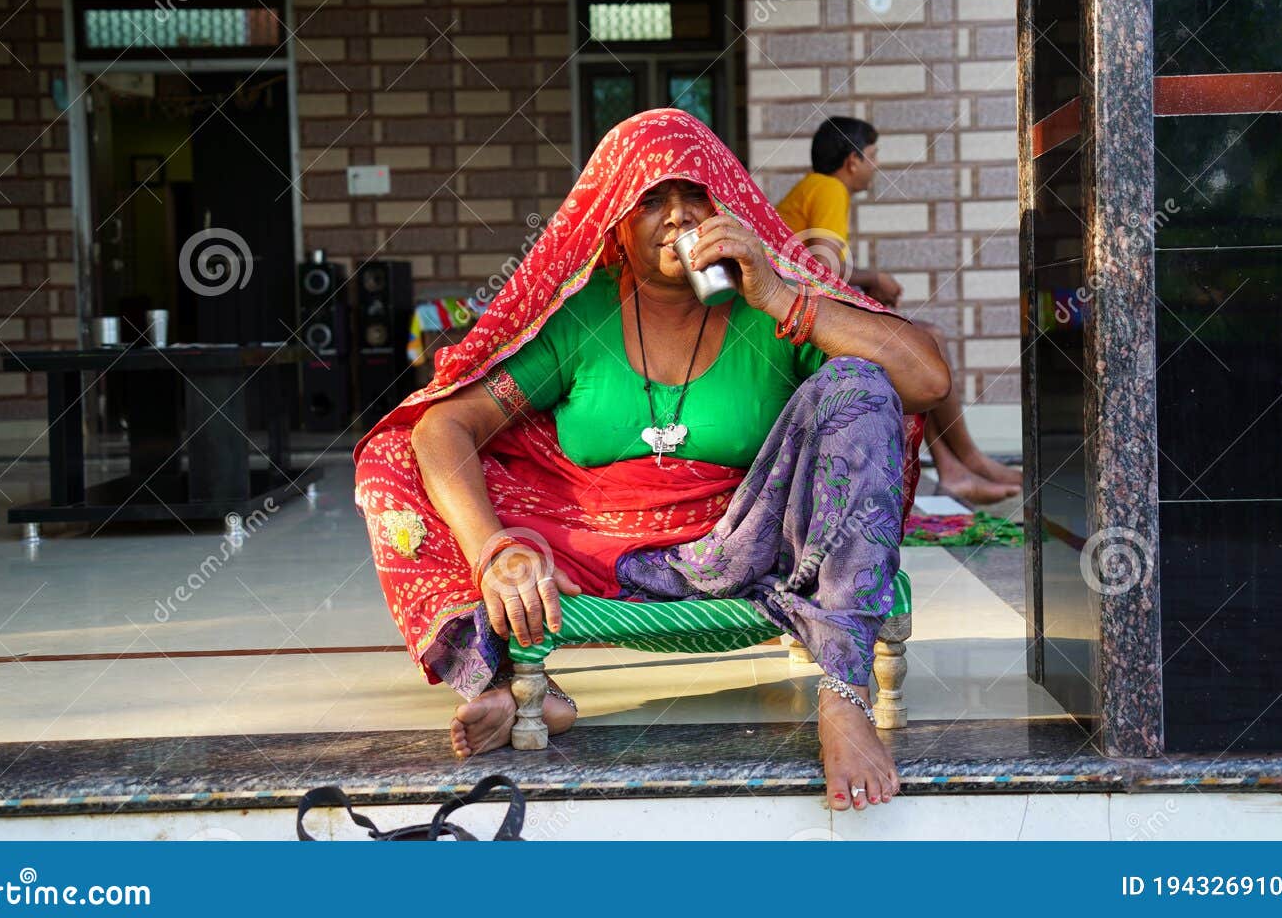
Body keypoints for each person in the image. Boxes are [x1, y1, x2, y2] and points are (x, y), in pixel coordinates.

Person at [354, 108, 949, 811]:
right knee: (394, 455)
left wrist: (783, 296)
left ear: (725, 203)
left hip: (749, 545)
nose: (675, 217)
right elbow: (446, 426)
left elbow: (927, 381)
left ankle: (844, 695)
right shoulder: (582, 316)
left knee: (860, 384)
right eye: (649, 199)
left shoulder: (771, 303)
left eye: (692, 195)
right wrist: (492, 549)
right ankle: (493, 680)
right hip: (592, 548)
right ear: (613, 218)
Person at [776, 117, 1022, 503]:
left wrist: (871, 284)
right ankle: (966, 460)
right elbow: (823, 271)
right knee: (929, 340)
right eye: (872, 157)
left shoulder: (814, 188)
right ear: (852, 161)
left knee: (923, 343)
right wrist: (877, 279)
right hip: (800, 328)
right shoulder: (828, 189)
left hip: (804, 316)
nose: (877, 167)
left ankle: (956, 468)